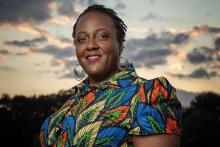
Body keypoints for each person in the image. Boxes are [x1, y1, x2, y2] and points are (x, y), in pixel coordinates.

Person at [39, 4, 182, 147]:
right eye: (82, 39)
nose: (90, 45)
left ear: (120, 45)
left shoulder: (147, 95)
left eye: (102, 36)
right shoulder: (69, 104)